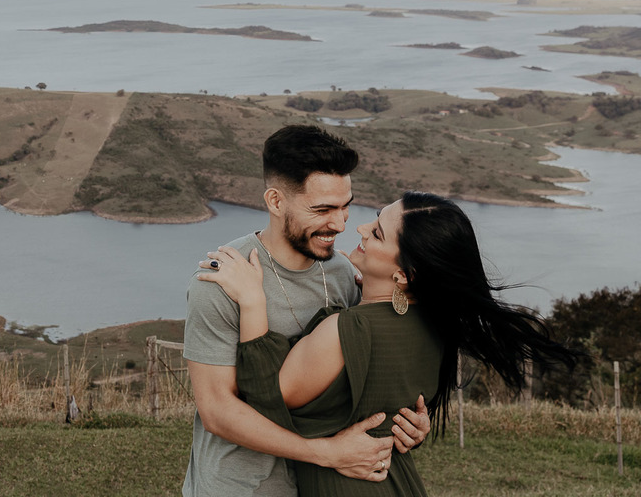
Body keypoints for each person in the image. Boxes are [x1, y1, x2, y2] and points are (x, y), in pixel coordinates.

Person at [198, 191, 579, 496]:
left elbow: (265, 401)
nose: (361, 228)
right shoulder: (435, 327)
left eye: (378, 232)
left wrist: (252, 301)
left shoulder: (348, 330)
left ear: (404, 274)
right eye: (375, 218)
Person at [183, 125, 430, 497]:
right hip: (240, 488)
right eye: (323, 209)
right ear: (276, 202)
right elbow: (217, 411)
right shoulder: (223, 279)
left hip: (325, 486)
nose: (340, 223)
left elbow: (354, 382)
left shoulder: (346, 274)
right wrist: (325, 453)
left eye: (346, 206)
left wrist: (406, 422)